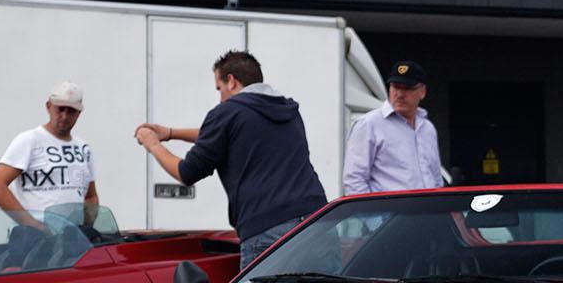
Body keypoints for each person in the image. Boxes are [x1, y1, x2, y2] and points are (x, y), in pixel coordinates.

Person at [134, 51, 328, 264]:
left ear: (232, 81)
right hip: (317, 222)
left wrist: (152, 143)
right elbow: (227, 136)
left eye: (219, 88)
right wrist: (171, 133)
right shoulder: (287, 110)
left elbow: (186, 172)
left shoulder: (227, 113)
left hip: (268, 228)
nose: (220, 97)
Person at [0, 81, 97, 231]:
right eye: (60, 109)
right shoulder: (30, 140)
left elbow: (90, 196)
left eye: (71, 111)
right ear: (48, 106)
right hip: (36, 240)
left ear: (79, 113)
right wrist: (33, 225)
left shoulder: (83, 148)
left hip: (72, 238)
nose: (64, 116)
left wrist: (87, 228)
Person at [343, 59, 442, 195]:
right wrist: (376, 216)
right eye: (395, 87)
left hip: (428, 213)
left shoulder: (428, 128)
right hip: (390, 214)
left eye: (407, 88)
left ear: (422, 92)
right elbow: (354, 180)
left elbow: (436, 179)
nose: (400, 94)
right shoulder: (369, 124)